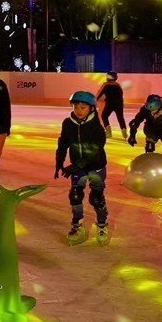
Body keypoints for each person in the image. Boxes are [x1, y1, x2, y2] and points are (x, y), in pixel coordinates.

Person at [55, 90, 110, 244]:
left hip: (96, 167)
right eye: (76, 107)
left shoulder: (97, 128)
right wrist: (59, 161)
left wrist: (75, 166)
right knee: (75, 196)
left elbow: (94, 150)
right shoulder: (68, 123)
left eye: (83, 107)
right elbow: (63, 143)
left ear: (91, 109)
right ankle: (77, 224)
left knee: (96, 198)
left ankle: (102, 224)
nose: (78, 110)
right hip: (77, 167)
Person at [127, 93, 162, 159]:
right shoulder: (145, 109)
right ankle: (149, 162)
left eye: (154, 111)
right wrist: (132, 135)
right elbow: (136, 121)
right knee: (149, 147)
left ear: (159, 108)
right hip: (151, 130)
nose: (151, 112)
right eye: (150, 110)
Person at [97, 71, 127, 139]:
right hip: (119, 103)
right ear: (116, 78)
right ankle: (124, 131)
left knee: (104, 116)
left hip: (110, 103)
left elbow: (99, 94)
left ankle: (108, 132)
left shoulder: (106, 85)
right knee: (120, 117)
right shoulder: (118, 85)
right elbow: (121, 94)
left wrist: (94, 101)